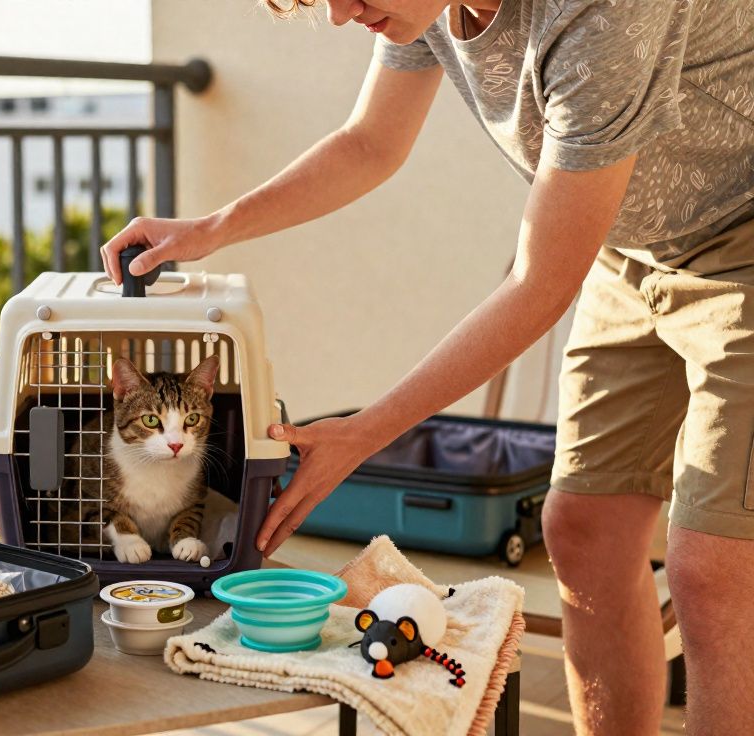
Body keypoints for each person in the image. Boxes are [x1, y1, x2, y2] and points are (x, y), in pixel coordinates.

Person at [100, 1, 754, 732]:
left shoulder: (599, 14)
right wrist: (211, 229)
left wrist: (365, 431)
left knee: (711, 565)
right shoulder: (428, 8)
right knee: (585, 531)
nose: (344, 15)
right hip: (631, 251)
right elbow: (369, 142)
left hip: (746, 238)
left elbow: (539, 284)